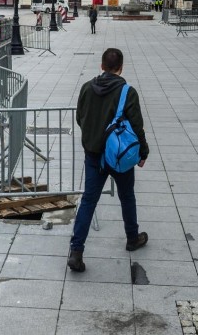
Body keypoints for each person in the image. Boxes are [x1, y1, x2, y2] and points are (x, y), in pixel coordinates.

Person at [68, 48, 149, 273]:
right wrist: (143, 152)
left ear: (101, 66)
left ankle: (76, 251)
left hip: (93, 156)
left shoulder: (86, 88)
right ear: (120, 68)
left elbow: (79, 118)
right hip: (119, 156)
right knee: (126, 196)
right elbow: (137, 126)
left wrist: (93, 135)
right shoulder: (127, 92)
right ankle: (132, 237)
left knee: (88, 201)